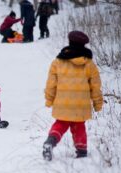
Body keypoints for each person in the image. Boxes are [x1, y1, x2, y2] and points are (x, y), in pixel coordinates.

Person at [43, 31, 103, 161]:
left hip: (62, 103)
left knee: (60, 124)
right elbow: (95, 86)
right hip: (81, 104)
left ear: (69, 42)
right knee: (79, 125)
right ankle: (81, 151)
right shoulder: (89, 64)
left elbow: (51, 84)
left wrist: (49, 99)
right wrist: (98, 103)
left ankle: (51, 141)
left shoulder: (58, 62)